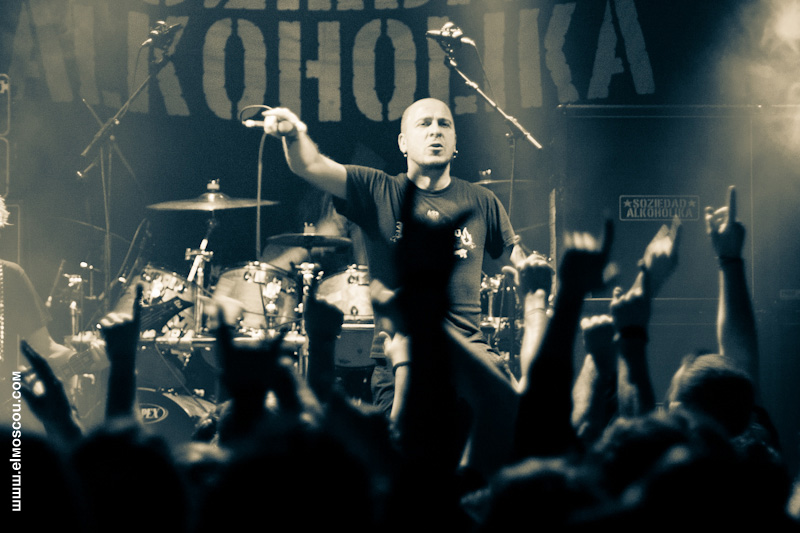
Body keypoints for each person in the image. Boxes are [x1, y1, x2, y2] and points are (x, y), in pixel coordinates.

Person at [260, 98, 527, 415]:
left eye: (444, 124)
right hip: (402, 358)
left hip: (470, 355)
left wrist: (537, 282)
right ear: (403, 143)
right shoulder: (378, 189)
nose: (435, 131)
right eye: (424, 124)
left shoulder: (482, 200)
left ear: (455, 142)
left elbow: (520, 268)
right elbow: (311, 165)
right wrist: (294, 135)